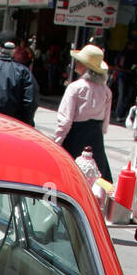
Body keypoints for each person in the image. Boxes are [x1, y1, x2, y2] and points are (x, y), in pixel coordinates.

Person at [53, 43, 112, 181]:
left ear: (86, 67)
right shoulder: (106, 91)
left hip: (75, 138)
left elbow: (65, 121)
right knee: (96, 181)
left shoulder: (75, 88)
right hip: (96, 140)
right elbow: (104, 124)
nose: (76, 63)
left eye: (79, 61)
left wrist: (57, 143)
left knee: (70, 179)